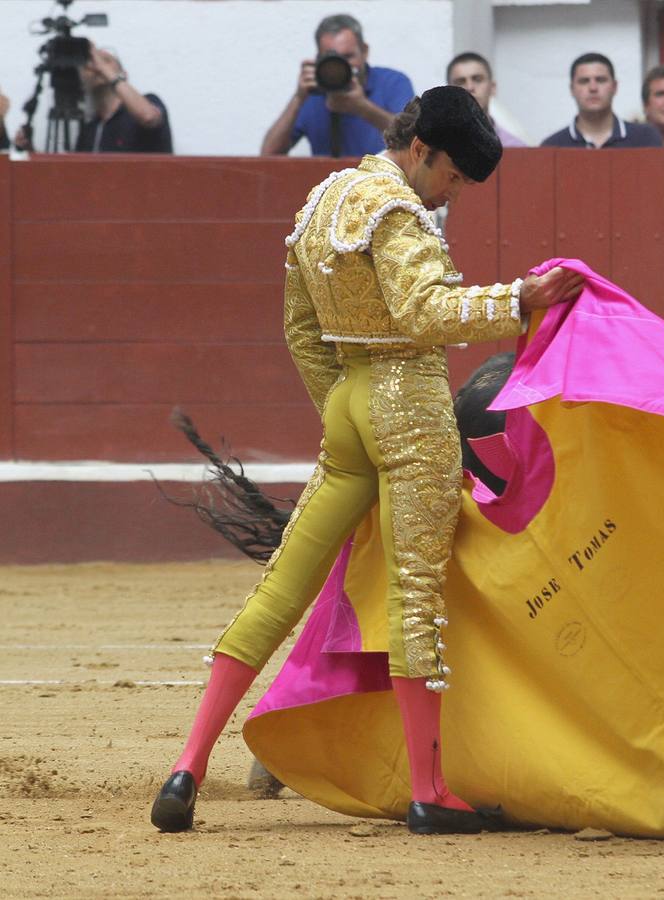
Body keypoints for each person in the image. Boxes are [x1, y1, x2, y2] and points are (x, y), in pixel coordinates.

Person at [149, 86, 583, 836]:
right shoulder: (398, 211)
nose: (449, 196)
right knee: (417, 595)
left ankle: (187, 765)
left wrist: (344, 410)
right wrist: (521, 299)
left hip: (349, 407)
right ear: (422, 150)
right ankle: (428, 791)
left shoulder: (324, 199)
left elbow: (299, 328)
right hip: (408, 409)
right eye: (451, 178)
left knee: (280, 587)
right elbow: (424, 312)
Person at [261, 14, 414, 158]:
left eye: (348, 57)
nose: (341, 66)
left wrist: (363, 108)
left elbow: (413, 141)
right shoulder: (313, 94)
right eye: (332, 59)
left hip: (385, 183)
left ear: (364, 51)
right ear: (319, 59)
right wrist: (298, 98)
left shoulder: (392, 83)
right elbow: (268, 156)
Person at [16, 45, 173, 153]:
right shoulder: (90, 128)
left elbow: (148, 117)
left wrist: (101, 64)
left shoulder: (148, 102)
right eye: (89, 64)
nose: (95, 66)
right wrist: (30, 151)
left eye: (106, 60)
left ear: (123, 74)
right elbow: (75, 180)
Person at [541, 53, 664, 149]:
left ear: (614, 87)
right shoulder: (552, 146)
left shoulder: (645, 139)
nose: (593, 88)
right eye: (584, 81)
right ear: (572, 89)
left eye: (600, 80)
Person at [446, 51, 524, 147]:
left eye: (478, 79)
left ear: (492, 87)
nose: (469, 87)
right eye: (460, 82)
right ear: (448, 91)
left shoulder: (514, 148)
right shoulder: (433, 149)